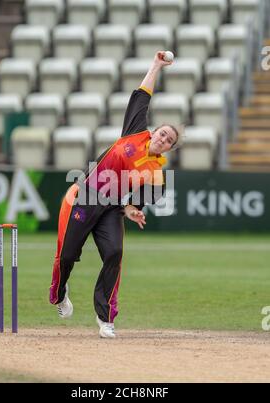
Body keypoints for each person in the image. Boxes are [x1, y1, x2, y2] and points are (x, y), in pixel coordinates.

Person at [49, 51, 181, 338]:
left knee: (115, 253)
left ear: (170, 148)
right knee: (68, 254)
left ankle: (106, 316)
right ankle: (59, 294)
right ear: (154, 132)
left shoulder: (158, 171)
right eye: (162, 134)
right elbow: (142, 95)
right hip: (85, 196)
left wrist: (132, 210)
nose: (163, 139)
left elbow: (139, 201)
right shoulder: (135, 132)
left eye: (169, 140)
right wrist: (156, 65)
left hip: (111, 208)